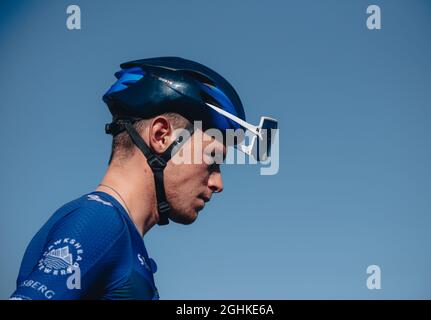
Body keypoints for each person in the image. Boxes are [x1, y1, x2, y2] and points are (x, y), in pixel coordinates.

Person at [10, 57, 276, 300]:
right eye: (212, 159)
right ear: (161, 136)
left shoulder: (119, 236)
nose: (218, 183)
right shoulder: (100, 224)